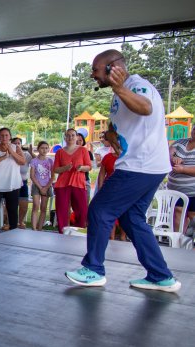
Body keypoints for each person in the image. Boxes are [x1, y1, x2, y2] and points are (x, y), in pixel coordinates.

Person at [65, 50, 180, 292]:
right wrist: (111, 132)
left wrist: (119, 88)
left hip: (140, 166)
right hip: (148, 166)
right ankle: (161, 276)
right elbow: (125, 121)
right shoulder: (122, 91)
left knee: (100, 210)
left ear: (112, 67)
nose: (92, 75)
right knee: (131, 218)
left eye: (96, 70)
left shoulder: (136, 86)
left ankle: (94, 270)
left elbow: (145, 108)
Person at [0, 128, 26, 236]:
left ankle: (13, 231)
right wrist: (4, 156)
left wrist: (11, 152)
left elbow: (22, 161)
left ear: (10, 136)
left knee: (12, 208)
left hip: (12, 183)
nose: (4, 137)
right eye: (2, 135)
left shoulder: (16, 147)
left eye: (6, 135)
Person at [53, 128, 91, 233]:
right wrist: (65, 168)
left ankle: (78, 231)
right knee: (62, 210)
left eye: (73, 135)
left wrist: (81, 168)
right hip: (62, 184)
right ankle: (62, 232)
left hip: (78, 183)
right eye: (68, 135)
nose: (70, 137)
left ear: (77, 137)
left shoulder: (83, 150)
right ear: (65, 137)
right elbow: (55, 169)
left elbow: (89, 166)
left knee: (82, 210)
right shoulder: (60, 152)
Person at [97, 134, 125, 241]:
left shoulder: (127, 157)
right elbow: (101, 174)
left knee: (123, 214)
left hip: (124, 190)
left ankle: (123, 237)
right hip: (109, 189)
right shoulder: (108, 157)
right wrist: (100, 189)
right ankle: (111, 237)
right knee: (110, 213)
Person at [167, 128, 195, 235]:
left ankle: (191, 241)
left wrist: (183, 169)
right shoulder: (181, 142)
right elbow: (170, 151)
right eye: (194, 129)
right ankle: (178, 240)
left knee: (192, 216)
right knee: (178, 212)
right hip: (175, 190)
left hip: (193, 191)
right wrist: (173, 158)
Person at [29, 141, 54, 231]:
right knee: (35, 206)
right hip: (37, 185)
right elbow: (32, 176)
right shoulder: (34, 161)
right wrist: (40, 187)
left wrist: (46, 187)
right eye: (42, 148)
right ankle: (34, 228)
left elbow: (53, 176)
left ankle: (39, 228)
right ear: (38, 149)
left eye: (46, 148)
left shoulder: (50, 161)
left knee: (43, 208)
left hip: (47, 186)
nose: (44, 150)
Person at [11, 137, 33, 228]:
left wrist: (32, 153)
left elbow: (38, 161)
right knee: (11, 204)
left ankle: (20, 222)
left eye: (18, 143)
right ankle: (9, 222)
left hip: (23, 182)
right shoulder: (9, 154)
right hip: (11, 182)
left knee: (24, 204)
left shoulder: (26, 155)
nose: (17, 145)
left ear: (21, 145)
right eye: (14, 143)